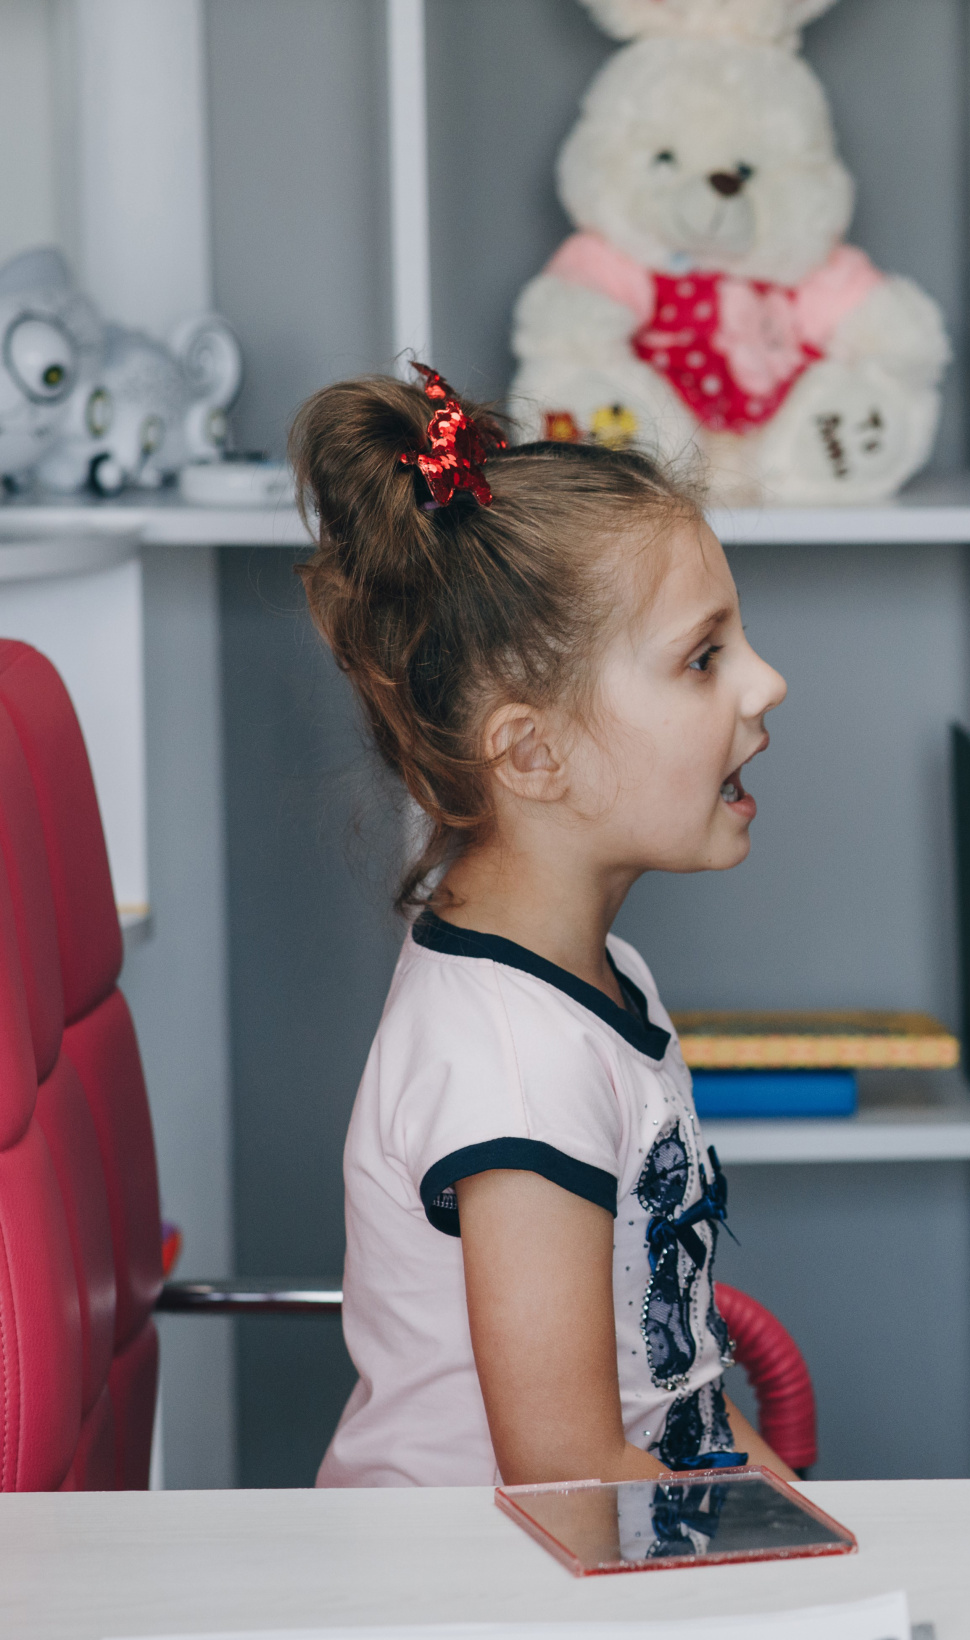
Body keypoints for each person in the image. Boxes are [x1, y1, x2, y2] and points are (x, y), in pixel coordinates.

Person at [296, 366, 795, 1486]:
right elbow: (570, 1472)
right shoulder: (515, 1065)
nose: (766, 682)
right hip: (478, 1599)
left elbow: (680, 1397)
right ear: (531, 753)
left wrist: (824, 1539)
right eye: (703, 656)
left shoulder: (596, 978)